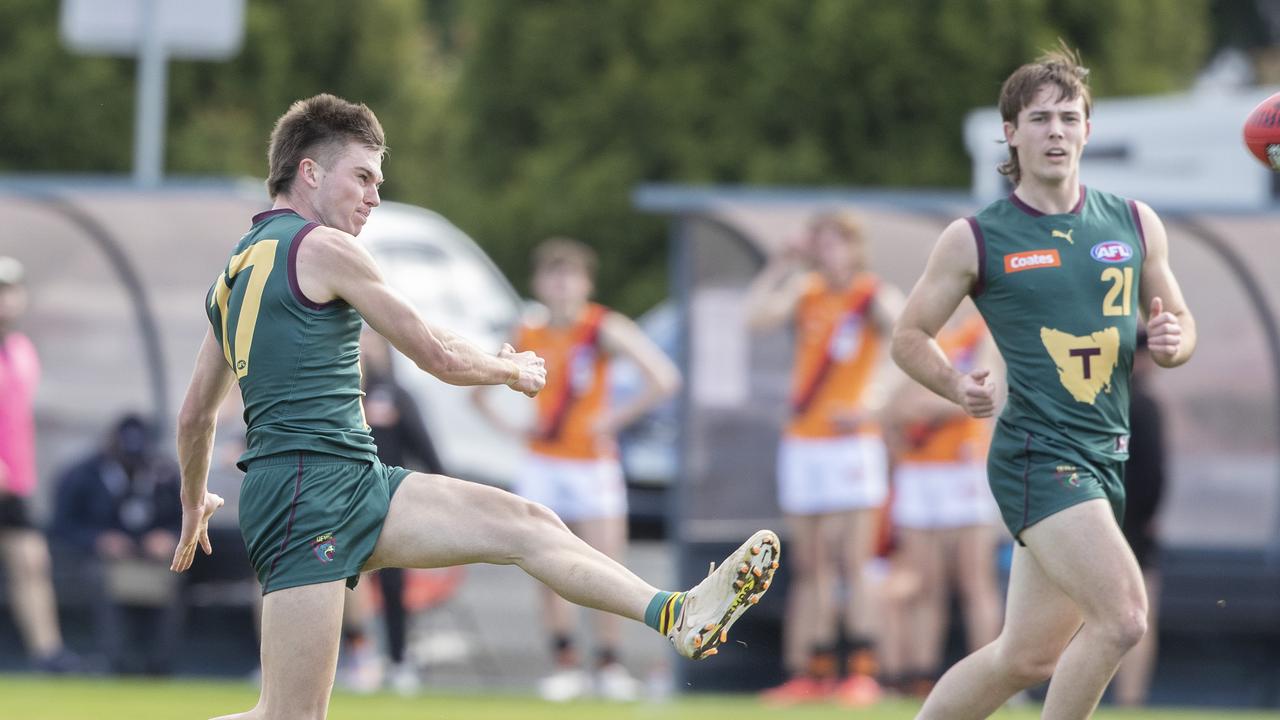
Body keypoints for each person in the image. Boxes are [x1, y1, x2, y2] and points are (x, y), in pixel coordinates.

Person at [169, 94, 778, 720]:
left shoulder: (234, 274)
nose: (375, 195)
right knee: (291, 717)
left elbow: (195, 416)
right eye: (364, 176)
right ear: (310, 172)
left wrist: (194, 504)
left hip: (349, 480)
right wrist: (508, 368)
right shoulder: (323, 248)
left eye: (379, 180)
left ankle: (677, 614)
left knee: (525, 523)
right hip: (305, 488)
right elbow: (434, 353)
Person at [890, 43, 1196, 720]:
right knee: (1122, 618)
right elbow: (907, 337)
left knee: (1024, 658)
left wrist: (1174, 342)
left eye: (1068, 117)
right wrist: (954, 385)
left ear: (1088, 129)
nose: (1055, 130)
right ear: (1011, 132)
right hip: (1039, 454)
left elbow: (1178, 324)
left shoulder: (1136, 222)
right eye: (1039, 118)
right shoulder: (976, 237)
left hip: (1104, 456)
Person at [473, 237, 682, 702]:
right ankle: (563, 659)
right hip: (545, 462)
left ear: (586, 283)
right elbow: (479, 385)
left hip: (592, 464)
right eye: (553, 275)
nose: (562, 285)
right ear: (540, 283)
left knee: (605, 561)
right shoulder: (528, 329)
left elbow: (663, 377)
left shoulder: (603, 327)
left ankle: (608, 660)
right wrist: (512, 429)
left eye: (570, 275)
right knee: (543, 558)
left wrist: (616, 418)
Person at [745, 212, 902, 707]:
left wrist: (873, 402)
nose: (830, 252)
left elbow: (911, 345)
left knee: (852, 560)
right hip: (805, 441)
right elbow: (753, 318)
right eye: (823, 242)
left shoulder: (874, 296)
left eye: (838, 242)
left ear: (855, 248)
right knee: (810, 563)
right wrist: (779, 265)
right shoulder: (806, 291)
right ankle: (809, 670)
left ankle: (860, 668)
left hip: (850, 443)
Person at [878, 310, 1003, 697]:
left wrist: (927, 401)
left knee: (974, 580)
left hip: (963, 468)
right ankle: (921, 676)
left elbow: (984, 394)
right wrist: (941, 400)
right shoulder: (919, 332)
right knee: (923, 583)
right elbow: (892, 406)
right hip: (919, 470)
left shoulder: (981, 331)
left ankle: (992, 680)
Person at [339, 329, 450, 695]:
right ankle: (359, 654)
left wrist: (444, 499)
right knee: (343, 579)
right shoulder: (333, 396)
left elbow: (426, 451)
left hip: (388, 502)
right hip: (341, 501)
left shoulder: (396, 395)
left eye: (369, 339)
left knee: (392, 584)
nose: (362, 347)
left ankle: (399, 659)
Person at [50, 414, 184, 675]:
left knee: (174, 578)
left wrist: (169, 537)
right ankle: (115, 661)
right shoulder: (83, 474)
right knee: (102, 580)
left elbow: (189, 515)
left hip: (153, 561)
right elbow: (62, 523)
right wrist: (98, 539)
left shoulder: (165, 473)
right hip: (99, 561)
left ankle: (160, 664)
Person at [0, 256, 78, 673]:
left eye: (9, 290)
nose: (4, 301)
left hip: (15, 482)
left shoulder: (22, 350)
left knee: (31, 562)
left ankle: (48, 653)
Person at [1112, 330, 1167, 707]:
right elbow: (1155, 473)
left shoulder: (1101, 400)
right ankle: (1130, 698)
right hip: (1131, 521)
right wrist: (1149, 516)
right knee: (1139, 614)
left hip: (1096, 514)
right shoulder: (1144, 405)